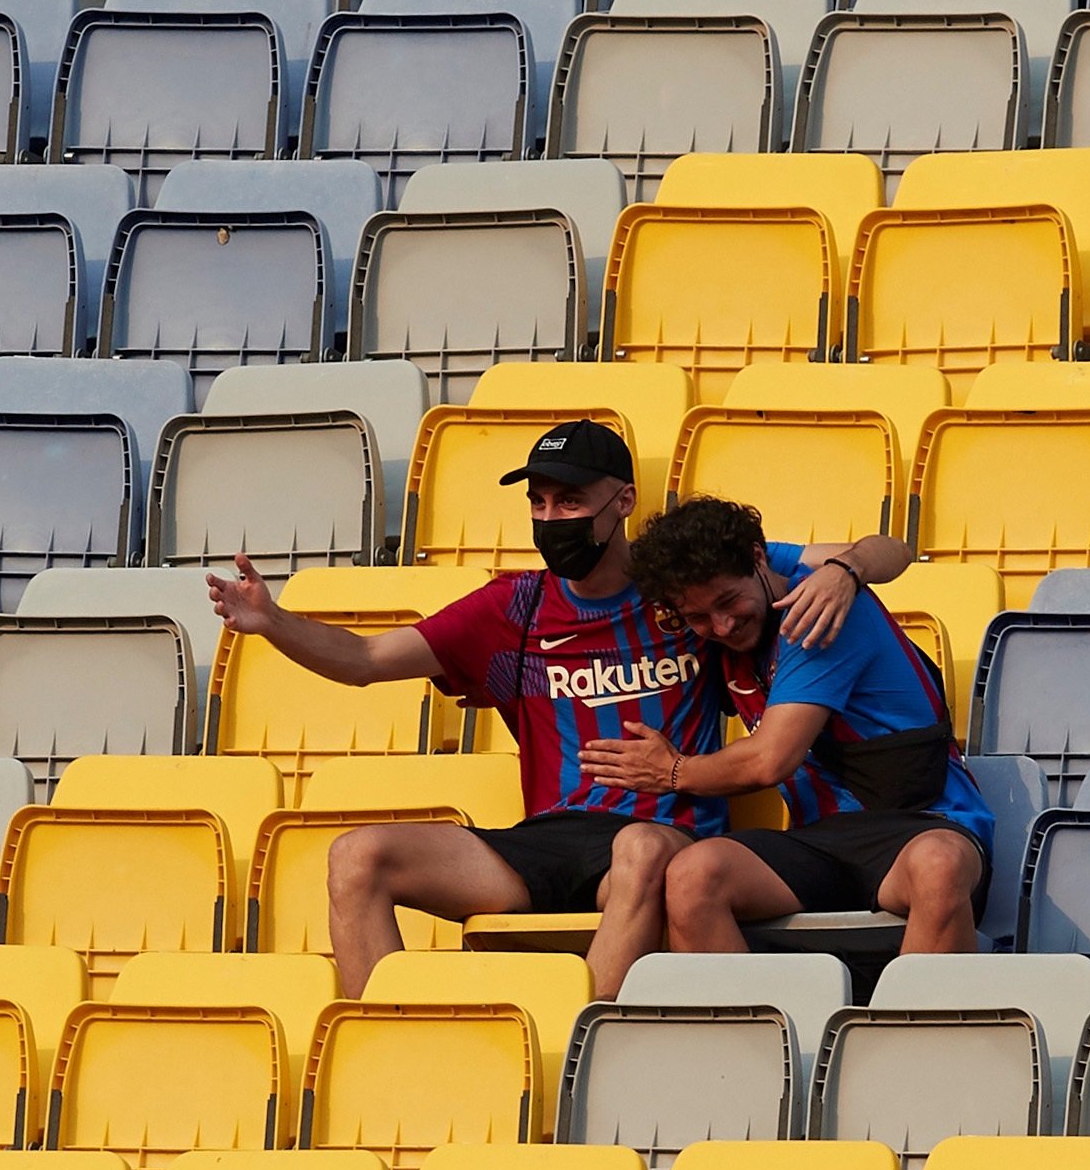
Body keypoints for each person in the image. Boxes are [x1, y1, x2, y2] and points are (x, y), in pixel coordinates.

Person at [204, 424, 908, 999]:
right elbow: (362, 663)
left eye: (569, 501)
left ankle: (572, 1054)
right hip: (545, 840)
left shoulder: (689, 589)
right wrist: (274, 622)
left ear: (623, 500)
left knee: (637, 850)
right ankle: (387, 1046)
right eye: (538, 503)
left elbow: (885, 551)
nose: (551, 518)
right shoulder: (511, 609)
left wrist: (847, 571)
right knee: (357, 856)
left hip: (658, 833)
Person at [583, 493, 984, 959]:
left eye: (729, 601)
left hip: (923, 825)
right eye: (697, 617)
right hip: (820, 841)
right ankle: (755, 1029)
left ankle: (913, 1030)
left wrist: (673, 772)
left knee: (939, 865)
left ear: (757, 558)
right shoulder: (751, 567)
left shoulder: (818, 612)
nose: (723, 625)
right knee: (693, 876)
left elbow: (768, 760)